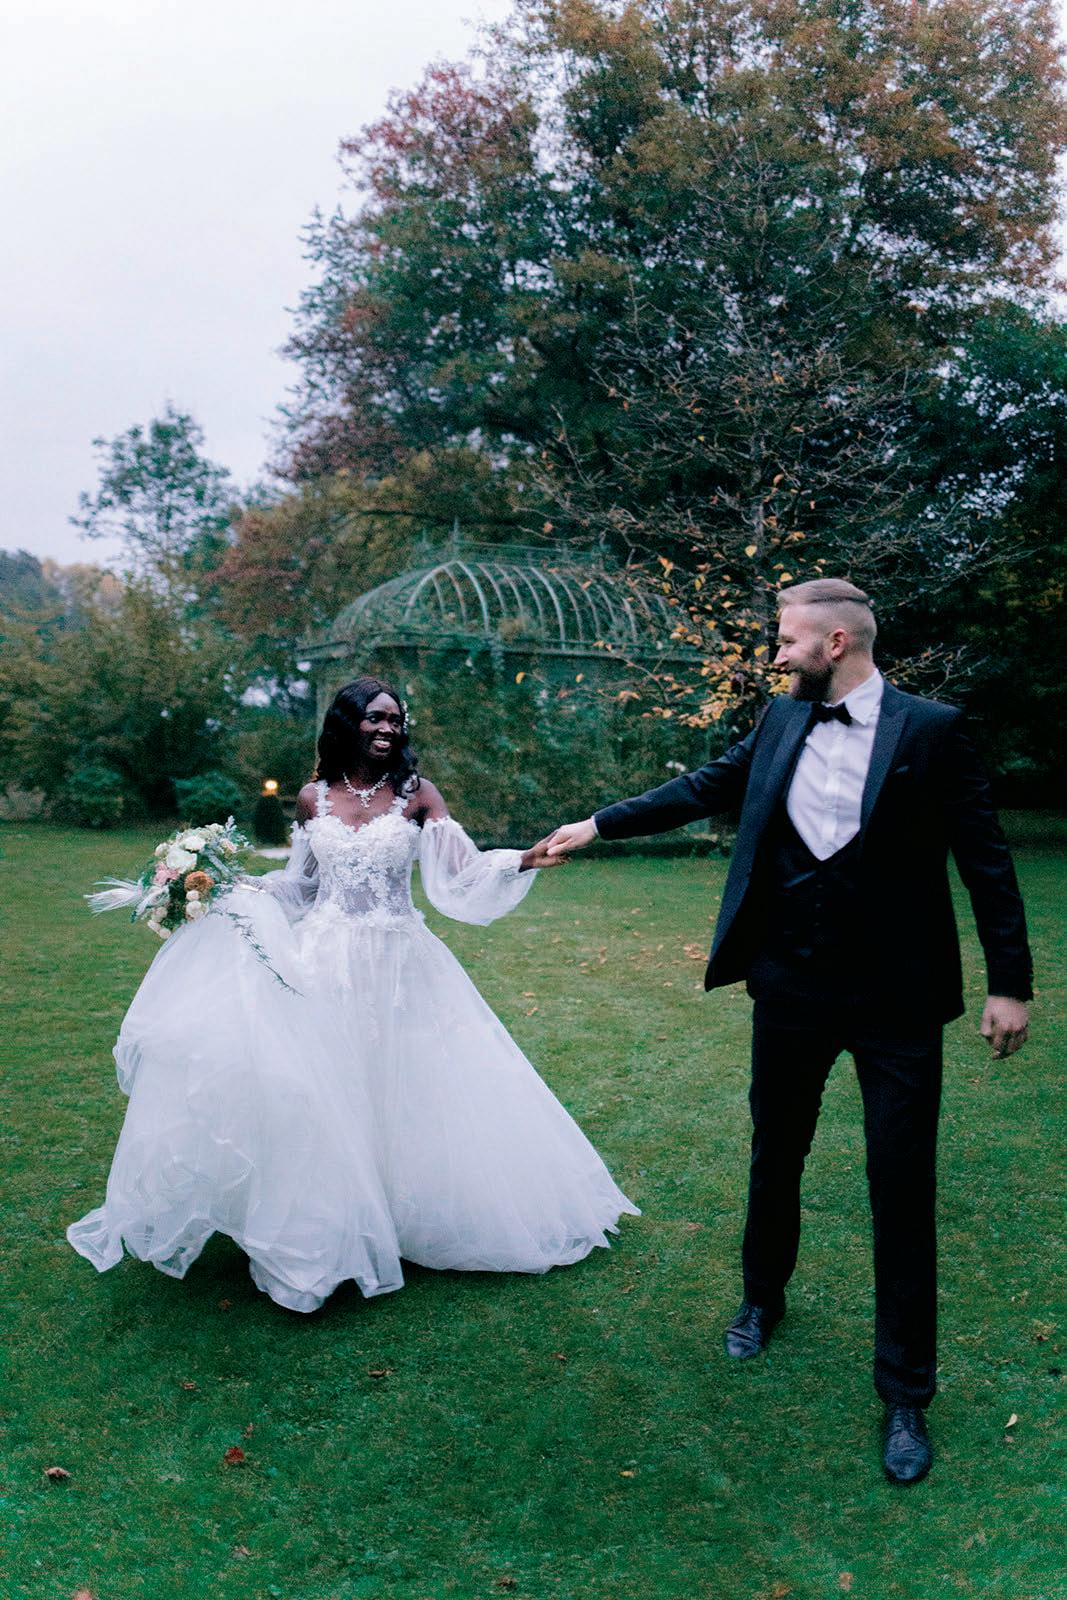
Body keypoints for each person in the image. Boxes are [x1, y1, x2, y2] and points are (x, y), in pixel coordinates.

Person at [546, 579, 1032, 1485]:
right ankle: (761, 1299)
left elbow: (985, 859)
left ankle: (905, 1394)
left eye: (785, 639)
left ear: (835, 642)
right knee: (776, 1152)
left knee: (900, 1185)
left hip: (896, 1002)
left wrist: (1010, 983)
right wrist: (597, 825)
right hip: (790, 987)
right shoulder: (778, 721)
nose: (775, 654)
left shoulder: (931, 731)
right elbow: (703, 786)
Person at [68, 676, 637, 1312]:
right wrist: (226, 887)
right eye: (375, 718)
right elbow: (303, 887)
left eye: (396, 719)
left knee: (410, 1083)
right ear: (347, 724)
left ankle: (408, 1212)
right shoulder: (312, 798)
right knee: (323, 1091)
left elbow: (461, 872)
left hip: (401, 961)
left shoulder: (417, 794)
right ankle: (330, 1225)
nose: (388, 728)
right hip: (324, 959)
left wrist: (523, 860)